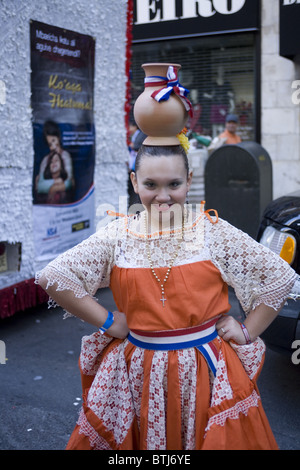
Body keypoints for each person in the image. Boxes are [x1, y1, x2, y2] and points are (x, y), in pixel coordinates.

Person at [36, 65, 298, 450]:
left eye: (174, 184)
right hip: (135, 376)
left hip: (206, 377)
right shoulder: (118, 234)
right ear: (134, 183)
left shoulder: (212, 230)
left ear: (189, 182)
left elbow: (280, 277)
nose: (163, 196)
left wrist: (247, 330)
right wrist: (109, 321)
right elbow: (54, 276)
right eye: (151, 185)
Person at [35, 121, 74, 202]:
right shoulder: (45, 160)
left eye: (54, 140)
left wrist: (53, 188)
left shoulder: (66, 156)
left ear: (58, 138)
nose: (53, 146)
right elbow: (40, 186)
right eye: (49, 144)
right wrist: (57, 181)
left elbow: (70, 182)